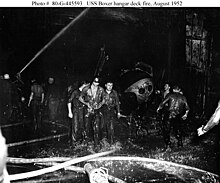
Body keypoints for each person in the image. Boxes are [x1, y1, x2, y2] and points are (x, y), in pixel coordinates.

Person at [79, 76, 105, 147]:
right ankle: (85, 143)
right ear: (92, 82)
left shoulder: (101, 90)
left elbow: (104, 99)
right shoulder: (86, 89)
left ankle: (96, 144)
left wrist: (100, 105)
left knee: (97, 127)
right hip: (88, 110)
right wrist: (86, 103)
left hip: (97, 110)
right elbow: (80, 98)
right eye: (95, 82)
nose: (96, 84)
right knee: (86, 127)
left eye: (97, 83)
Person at [67, 81, 89, 146]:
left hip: (82, 111)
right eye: (86, 86)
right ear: (83, 85)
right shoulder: (75, 92)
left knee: (82, 127)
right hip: (76, 110)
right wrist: (70, 112)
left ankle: (82, 142)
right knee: (75, 127)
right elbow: (69, 101)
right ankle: (74, 144)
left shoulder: (85, 93)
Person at [102, 80, 120, 144]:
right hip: (103, 111)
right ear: (105, 85)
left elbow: (117, 103)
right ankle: (103, 142)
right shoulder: (102, 92)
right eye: (109, 85)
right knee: (103, 126)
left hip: (111, 111)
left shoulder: (114, 92)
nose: (110, 87)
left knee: (111, 127)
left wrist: (118, 112)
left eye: (111, 85)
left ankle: (111, 142)